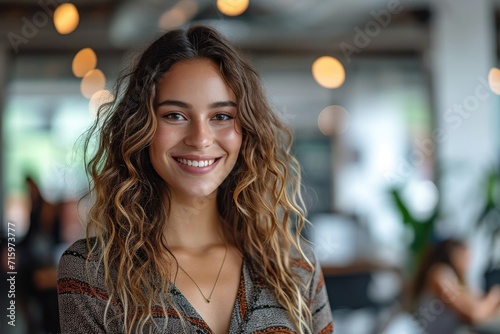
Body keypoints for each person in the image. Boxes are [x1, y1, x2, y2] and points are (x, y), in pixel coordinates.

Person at [57, 25, 334, 334]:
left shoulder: (296, 267)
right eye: (175, 115)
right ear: (140, 126)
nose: (200, 139)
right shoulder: (92, 272)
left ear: (246, 130)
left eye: (221, 116)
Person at [411, 238, 500, 334]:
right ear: (454, 254)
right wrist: (494, 296)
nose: (468, 262)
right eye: (465, 256)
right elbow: (474, 314)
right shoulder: (439, 274)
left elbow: (478, 305)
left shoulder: (458, 281)